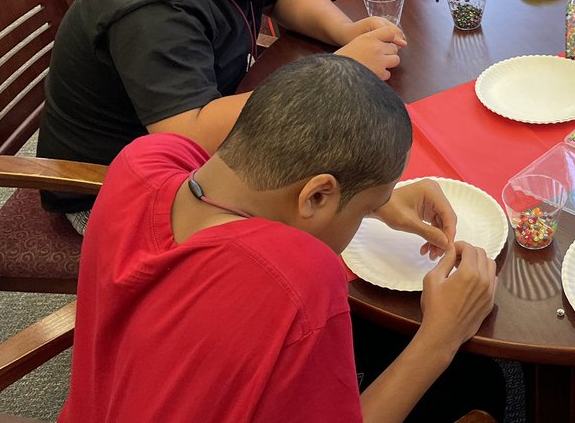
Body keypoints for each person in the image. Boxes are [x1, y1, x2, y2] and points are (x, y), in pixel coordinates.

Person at [61, 54, 504, 422]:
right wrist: (442, 337)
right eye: (368, 205)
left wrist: (367, 198)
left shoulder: (144, 158)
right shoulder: (299, 277)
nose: (373, 211)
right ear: (316, 195)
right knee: (475, 383)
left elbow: (233, 172)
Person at [37, 0, 405, 230]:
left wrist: (344, 31)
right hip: (109, 185)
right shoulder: (154, 11)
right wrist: (337, 69)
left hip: (197, 112)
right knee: (305, 229)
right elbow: (188, 134)